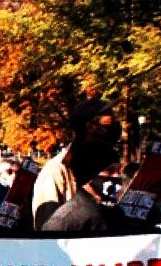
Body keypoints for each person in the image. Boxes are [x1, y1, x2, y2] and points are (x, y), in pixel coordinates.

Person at [32, 97, 123, 229]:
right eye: (109, 118)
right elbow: (48, 231)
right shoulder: (55, 171)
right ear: (92, 126)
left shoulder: (110, 163)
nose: (115, 122)